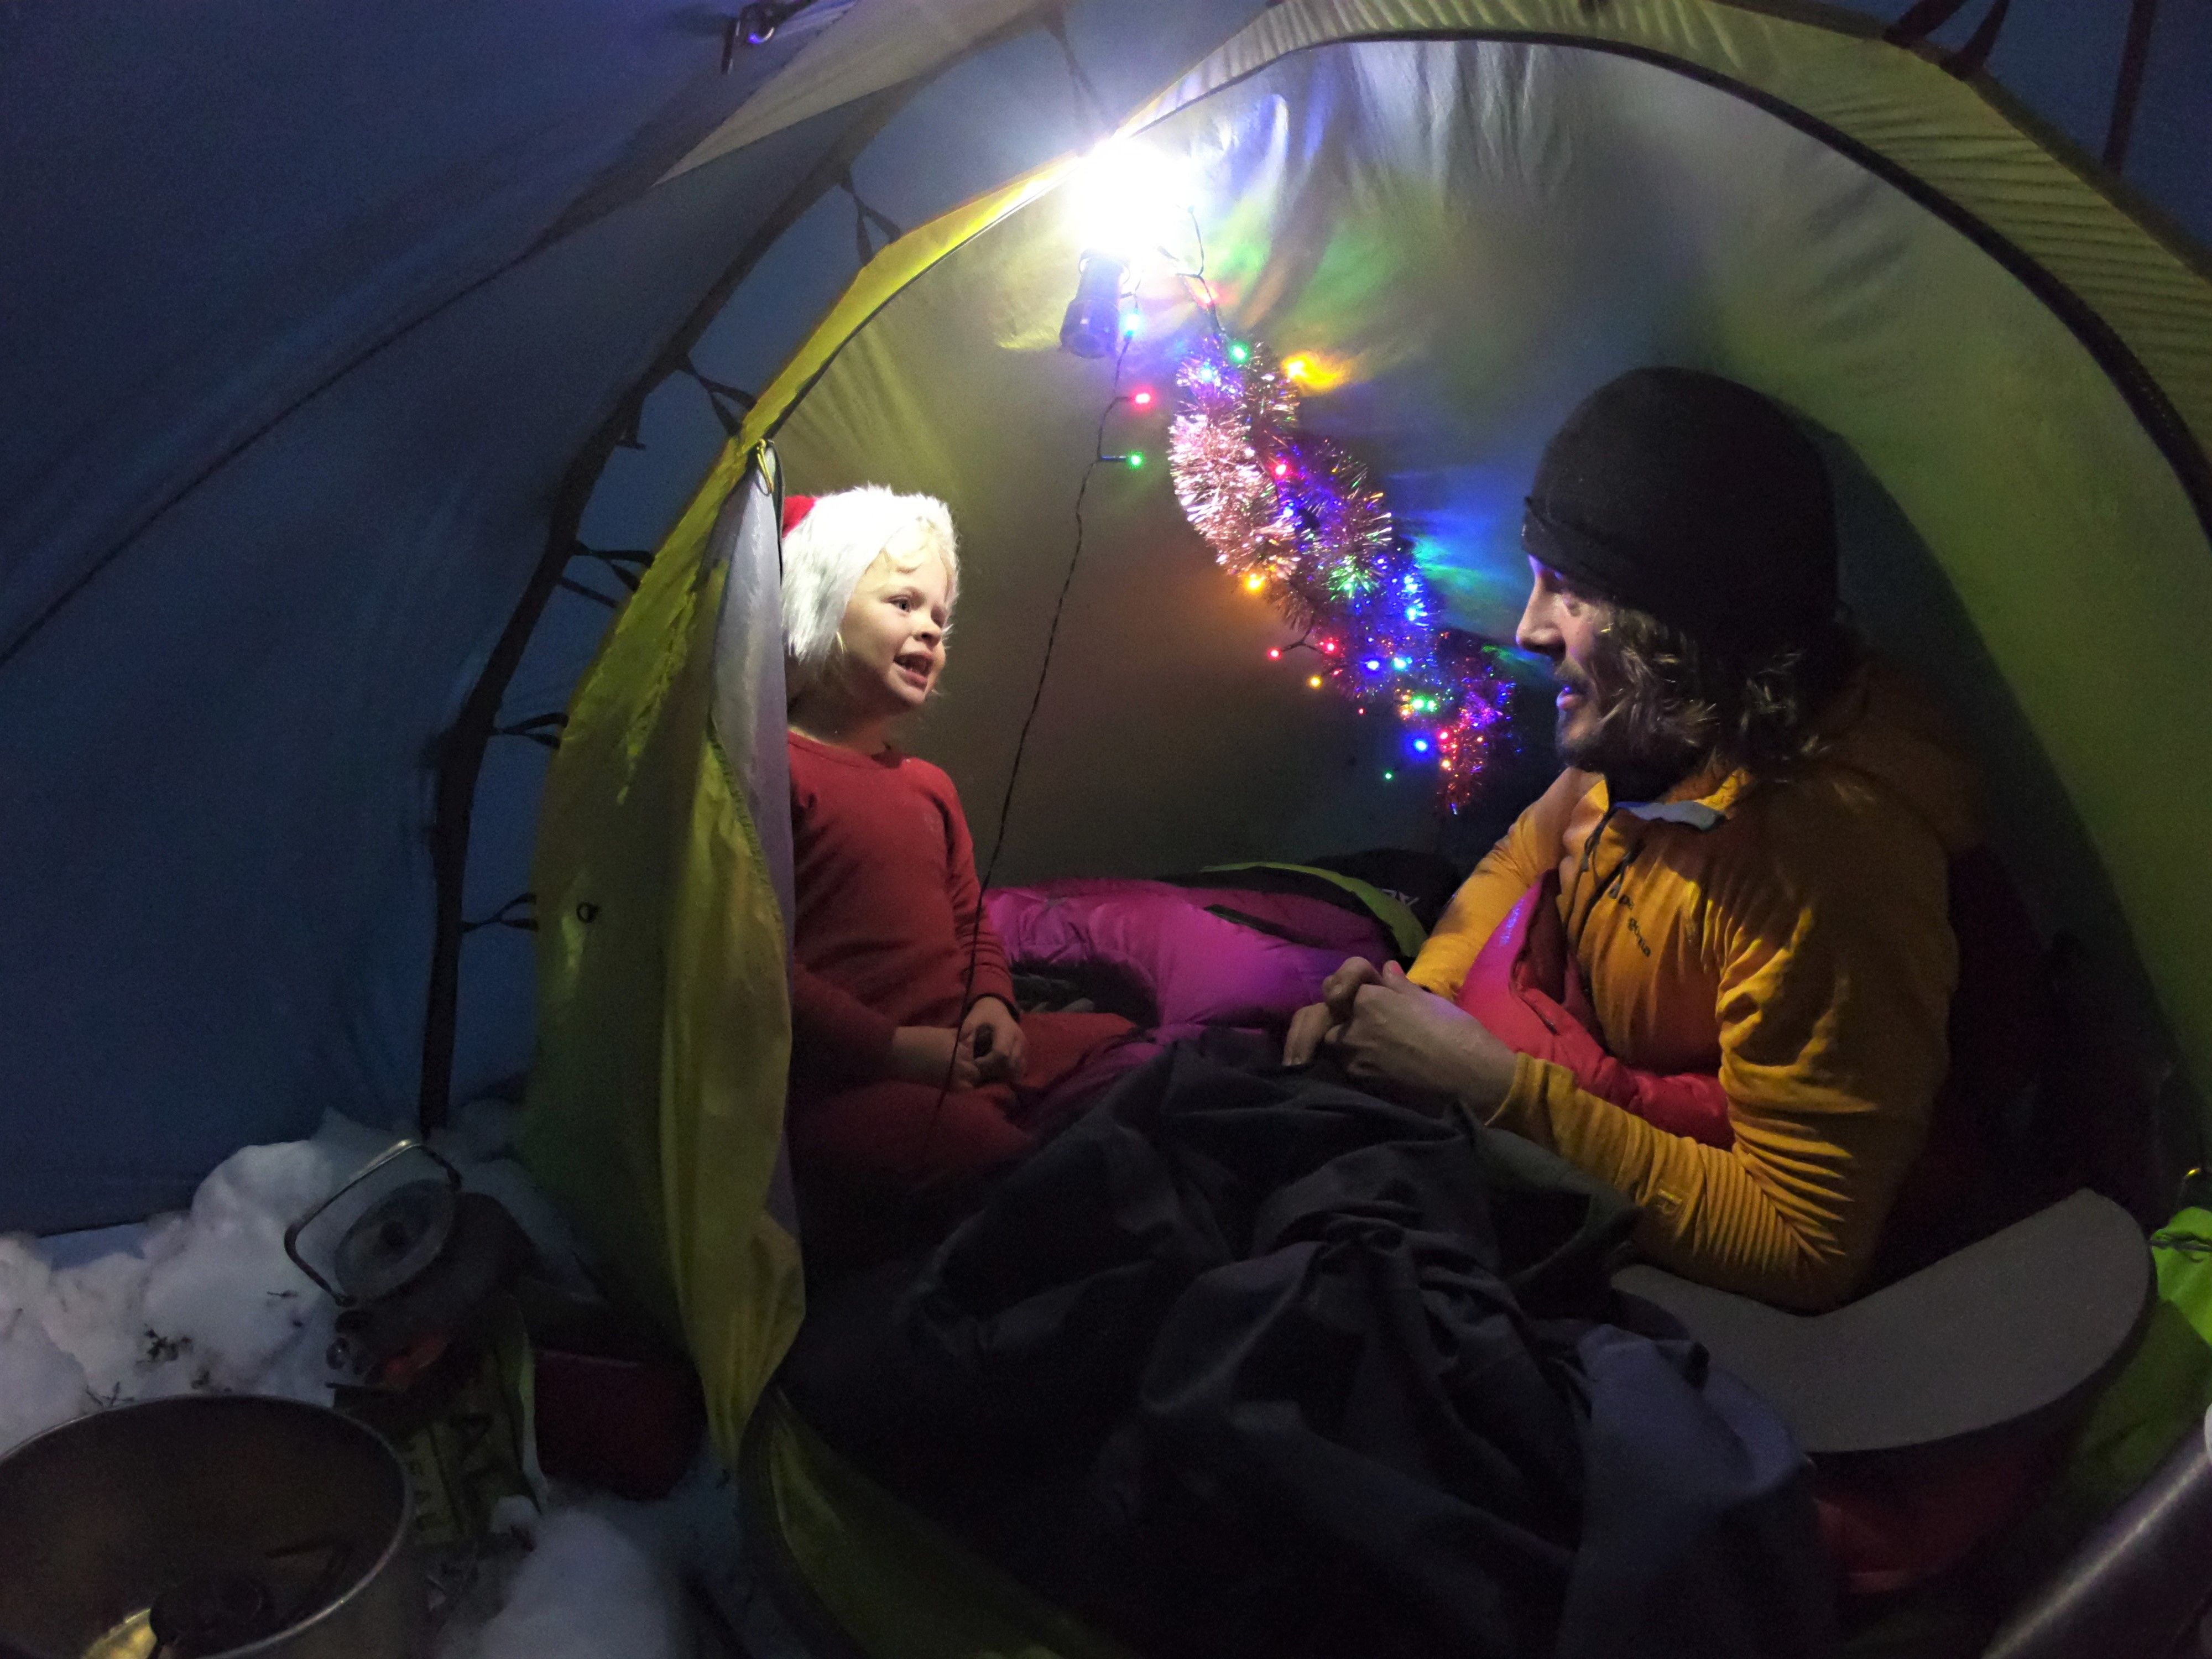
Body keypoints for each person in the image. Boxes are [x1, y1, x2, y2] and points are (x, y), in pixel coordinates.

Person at [1287, 368, 1977, 1311]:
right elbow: (1523, 857)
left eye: (1569, 592)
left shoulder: (1825, 871)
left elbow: (1808, 1243)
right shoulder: (1670, 722)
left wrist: (1490, 1087)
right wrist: (1411, 1011)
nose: (1528, 628)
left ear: (1678, 627)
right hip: (1556, 1053)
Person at [779, 486, 1131, 1267]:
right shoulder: (775, 772)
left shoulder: (928, 786)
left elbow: (971, 923)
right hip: (853, 1081)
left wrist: (994, 1004)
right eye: (903, 603)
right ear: (819, 601)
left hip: (961, 1050)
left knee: (1124, 1045)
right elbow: (753, 963)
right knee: (993, 1164)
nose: (931, 629)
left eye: (941, 615)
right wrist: (892, 1049)